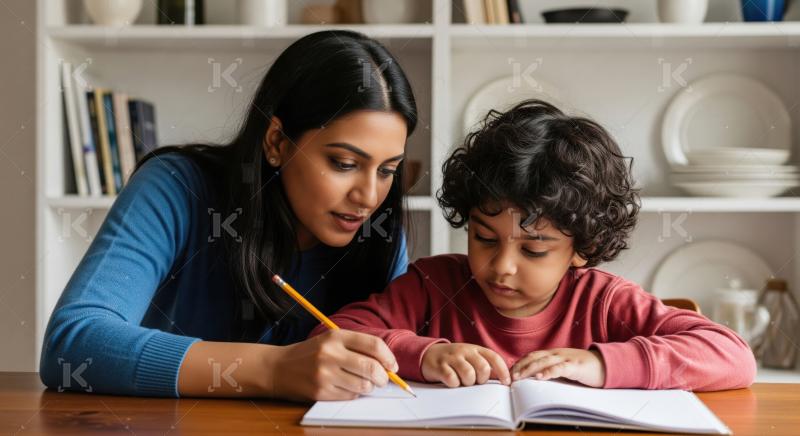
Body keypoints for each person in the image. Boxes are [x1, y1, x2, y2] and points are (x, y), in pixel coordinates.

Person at [40, 30, 417, 401]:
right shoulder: (176, 188)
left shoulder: (379, 234)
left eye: (387, 170)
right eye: (344, 163)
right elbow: (73, 343)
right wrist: (274, 370)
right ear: (276, 142)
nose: (369, 197)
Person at [310, 99, 757, 392]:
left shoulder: (603, 302)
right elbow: (330, 336)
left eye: (533, 250)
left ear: (582, 248)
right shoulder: (433, 285)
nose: (502, 266)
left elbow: (733, 355)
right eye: (485, 238)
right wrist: (423, 353)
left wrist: (601, 364)